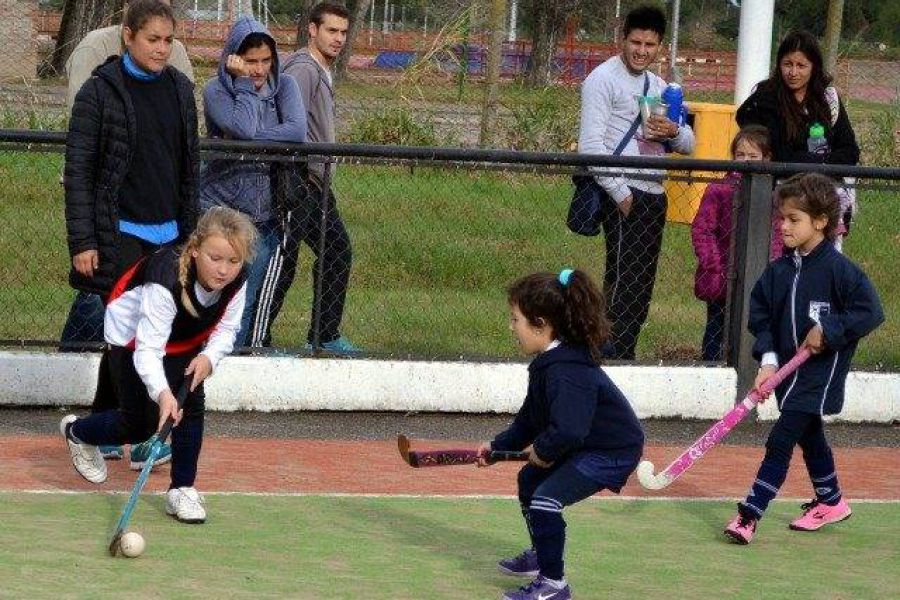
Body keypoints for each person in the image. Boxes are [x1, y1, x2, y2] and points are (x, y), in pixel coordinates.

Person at [64, 0, 200, 466]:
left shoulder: (181, 91)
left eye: (168, 40)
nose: (162, 49)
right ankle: (118, 426)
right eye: (152, 40)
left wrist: (191, 236)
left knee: (156, 335)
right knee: (128, 337)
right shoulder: (99, 92)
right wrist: (83, 241)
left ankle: (129, 429)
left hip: (170, 236)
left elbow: (189, 170)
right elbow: (78, 170)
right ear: (128, 36)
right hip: (118, 234)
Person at [60, 207, 255, 524]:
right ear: (194, 250)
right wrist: (163, 394)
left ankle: (182, 488)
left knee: (190, 402)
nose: (223, 270)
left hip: (184, 337)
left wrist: (209, 358)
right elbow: (148, 350)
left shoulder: (238, 279)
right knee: (139, 425)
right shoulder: (164, 280)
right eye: (215, 258)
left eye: (233, 261)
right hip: (132, 336)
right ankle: (77, 432)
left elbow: (227, 329)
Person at [723, 173, 883, 545]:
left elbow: (870, 312)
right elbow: (760, 317)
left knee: (781, 439)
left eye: (794, 219)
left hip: (818, 374)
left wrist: (829, 328)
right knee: (809, 435)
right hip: (787, 374)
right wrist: (767, 360)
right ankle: (831, 500)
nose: (784, 226)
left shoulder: (841, 271)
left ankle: (750, 514)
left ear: (821, 222)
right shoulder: (778, 272)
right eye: (782, 218)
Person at [477, 269, 645, 600]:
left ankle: (554, 585)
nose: (512, 328)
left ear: (541, 324)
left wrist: (546, 451)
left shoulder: (566, 372)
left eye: (516, 320)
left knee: (546, 498)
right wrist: (497, 448)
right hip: (585, 444)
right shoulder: (549, 363)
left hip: (612, 452)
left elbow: (569, 429)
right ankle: (542, 554)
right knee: (529, 482)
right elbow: (530, 420)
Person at [577, 5, 695, 361]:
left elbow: (689, 144)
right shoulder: (602, 79)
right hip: (624, 194)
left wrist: (673, 131)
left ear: (660, 46)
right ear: (622, 39)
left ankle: (623, 352)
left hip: (655, 192)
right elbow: (591, 146)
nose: (641, 51)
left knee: (641, 286)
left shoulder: (660, 87)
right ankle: (612, 356)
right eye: (635, 42)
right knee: (624, 284)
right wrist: (620, 194)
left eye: (650, 44)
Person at [251, 1, 357, 353]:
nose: (338, 38)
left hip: (316, 181)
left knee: (334, 250)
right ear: (312, 29)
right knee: (285, 259)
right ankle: (258, 338)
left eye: (343, 32)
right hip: (300, 182)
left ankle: (323, 335)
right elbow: (282, 117)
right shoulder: (303, 69)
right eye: (331, 30)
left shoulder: (321, 70)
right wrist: (296, 170)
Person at [199, 15, 307, 348]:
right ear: (233, 58)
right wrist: (243, 84)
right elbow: (242, 129)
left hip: (264, 215)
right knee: (210, 299)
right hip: (220, 210)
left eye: (265, 61)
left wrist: (253, 140)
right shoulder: (216, 90)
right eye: (250, 62)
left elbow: (297, 130)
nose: (258, 70)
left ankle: (232, 367)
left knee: (244, 303)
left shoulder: (285, 86)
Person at [737, 30, 860, 254]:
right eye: (787, 64)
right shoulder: (766, 98)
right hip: (777, 199)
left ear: (814, 67)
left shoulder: (828, 99)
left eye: (801, 66)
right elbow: (764, 143)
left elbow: (849, 150)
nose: (793, 72)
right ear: (779, 64)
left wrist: (821, 166)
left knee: (820, 266)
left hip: (822, 196)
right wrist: (805, 162)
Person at [691, 125, 772, 361]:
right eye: (741, 155)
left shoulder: (773, 194)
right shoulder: (720, 190)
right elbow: (703, 228)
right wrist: (714, 265)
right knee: (717, 325)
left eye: (753, 156)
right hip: (723, 272)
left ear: (767, 159)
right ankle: (712, 364)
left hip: (758, 272)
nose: (746, 161)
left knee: (755, 324)